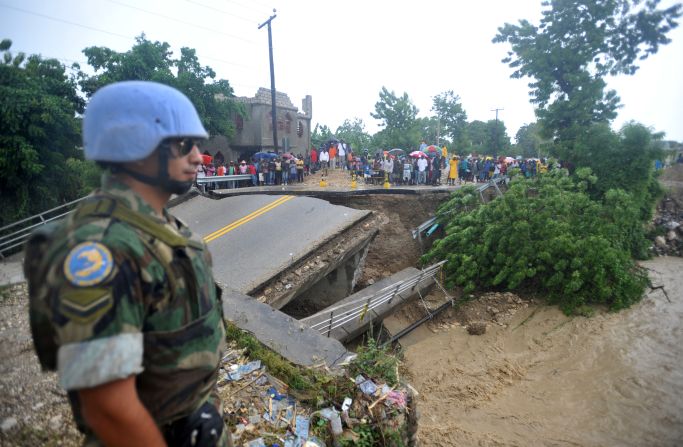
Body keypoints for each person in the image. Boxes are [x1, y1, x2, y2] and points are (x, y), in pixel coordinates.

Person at [24, 81, 230, 447]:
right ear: (136, 149)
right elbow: (108, 408)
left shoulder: (158, 226)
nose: (199, 157)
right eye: (184, 145)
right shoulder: (101, 249)